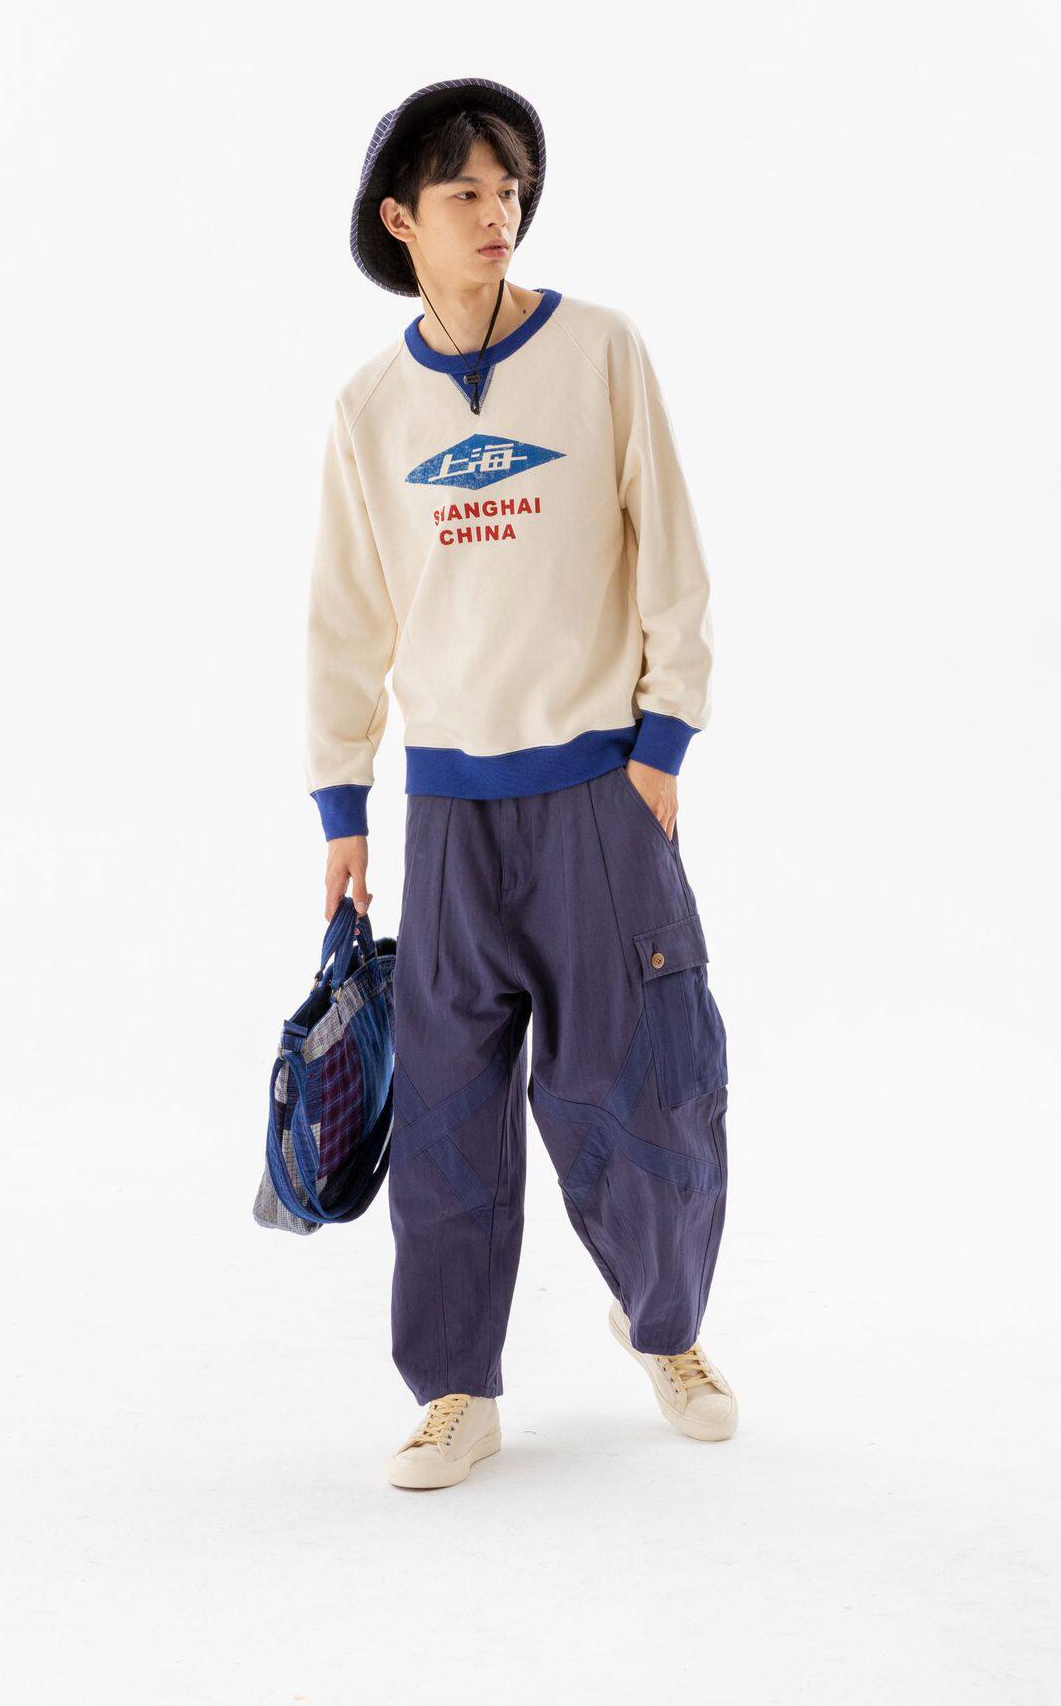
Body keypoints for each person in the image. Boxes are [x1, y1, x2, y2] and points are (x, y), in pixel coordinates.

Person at [303, 77, 736, 1490]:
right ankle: (455, 1390)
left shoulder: (600, 350)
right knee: (445, 1110)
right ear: (400, 221)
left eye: (511, 192)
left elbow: (670, 553)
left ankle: (665, 1327)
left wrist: (660, 747)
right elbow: (346, 618)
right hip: (447, 815)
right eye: (465, 195)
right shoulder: (371, 408)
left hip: (600, 794)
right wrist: (343, 804)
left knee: (645, 1084)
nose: (498, 216)